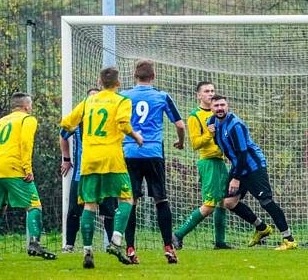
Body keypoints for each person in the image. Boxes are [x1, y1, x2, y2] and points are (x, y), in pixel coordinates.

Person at [60, 66, 144, 269]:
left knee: (89, 204)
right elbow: (123, 124)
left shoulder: (88, 101)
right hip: (112, 158)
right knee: (127, 198)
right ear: (118, 83)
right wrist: (136, 136)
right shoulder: (122, 100)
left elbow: (66, 124)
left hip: (88, 160)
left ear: (100, 82)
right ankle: (115, 240)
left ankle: (87, 250)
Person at [208, 95, 298, 250]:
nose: (220, 108)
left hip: (253, 167)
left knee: (266, 202)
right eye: (216, 105)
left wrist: (236, 178)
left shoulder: (235, 125)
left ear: (227, 106)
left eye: (222, 105)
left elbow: (242, 153)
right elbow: (222, 145)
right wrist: (211, 133)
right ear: (211, 108)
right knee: (229, 202)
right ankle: (262, 228)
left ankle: (289, 240)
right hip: (238, 167)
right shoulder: (211, 122)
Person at [120, 59, 185, 264]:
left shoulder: (123, 97)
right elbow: (180, 125)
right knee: (161, 200)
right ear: (153, 76)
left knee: (131, 201)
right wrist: (180, 142)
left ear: (134, 76)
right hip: (154, 152)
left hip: (130, 152)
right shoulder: (162, 96)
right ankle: (168, 247)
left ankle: (130, 249)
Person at [0, 92, 55, 261]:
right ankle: (34, 243)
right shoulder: (27, 119)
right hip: (14, 167)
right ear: (27, 106)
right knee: (34, 205)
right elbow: (25, 143)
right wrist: (27, 168)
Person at [172, 81, 233, 250]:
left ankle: (220, 242)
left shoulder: (220, 113)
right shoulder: (194, 116)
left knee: (222, 202)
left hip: (220, 162)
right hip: (208, 162)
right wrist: (209, 134)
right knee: (209, 205)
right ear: (199, 95)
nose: (210, 94)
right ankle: (177, 234)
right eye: (206, 91)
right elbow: (195, 144)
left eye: (213, 90)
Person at [60, 87, 117, 253]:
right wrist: (66, 159)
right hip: (81, 173)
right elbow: (63, 135)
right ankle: (69, 245)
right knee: (74, 210)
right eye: (90, 97)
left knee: (109, 211)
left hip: (105, 172)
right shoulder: (78, 120)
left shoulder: (107, 120)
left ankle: (112, 245)